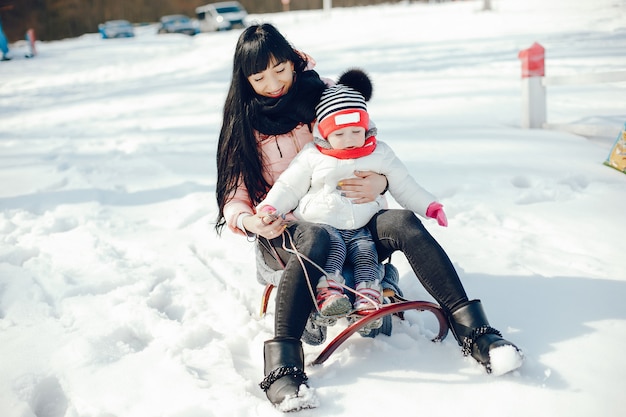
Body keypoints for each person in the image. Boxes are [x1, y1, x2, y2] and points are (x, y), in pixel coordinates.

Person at [215, 23, 523, 412]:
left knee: (403, 223)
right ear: (245, 81)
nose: (273, 83)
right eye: (259, 77)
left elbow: (369, 143)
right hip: (288, 230)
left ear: (293, 62)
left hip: (356, 220)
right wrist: (253, 221)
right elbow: (234, 198)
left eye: (280, 69)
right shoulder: (242, 125)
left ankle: (476, 332)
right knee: (315, 238)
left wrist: (380, 181)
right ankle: (284, 369)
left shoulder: (326, 95)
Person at [255, 68, 450, 335]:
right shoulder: (313, 155)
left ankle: (368, 298)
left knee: (366, 255)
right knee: (332, 253)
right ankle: (329, 294)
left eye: (355, 131)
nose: (349, 140)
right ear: (324, 133)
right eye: (339, 133)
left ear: (367, 127)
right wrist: (269, 207)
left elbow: (405, 184)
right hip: (324, 226)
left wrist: (430, 206)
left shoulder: (379, 153)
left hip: (362, 227)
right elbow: (289, 185)